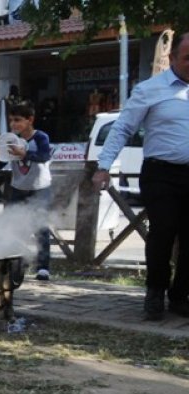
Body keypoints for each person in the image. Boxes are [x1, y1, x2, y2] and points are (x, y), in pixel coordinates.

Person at [94, 29, 189, 320]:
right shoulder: (150, 89)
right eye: (188, 58)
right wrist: (103, 166)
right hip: (160, 173)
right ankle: (155, 292)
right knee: (163, 231)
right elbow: (123, 128)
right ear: (172, 57)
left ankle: (180, 295)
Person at [0, 102, 52, 281]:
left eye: (18, 120)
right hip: (17, 187)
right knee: (13, 225)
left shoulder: (40, 137)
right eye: (11, 121)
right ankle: (15, 264)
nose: (14, 124)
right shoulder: (9, 139)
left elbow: (44, 156)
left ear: (30, 120)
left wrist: (24, 154)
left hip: (40, 188)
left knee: (40, 227)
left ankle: (43, 267)